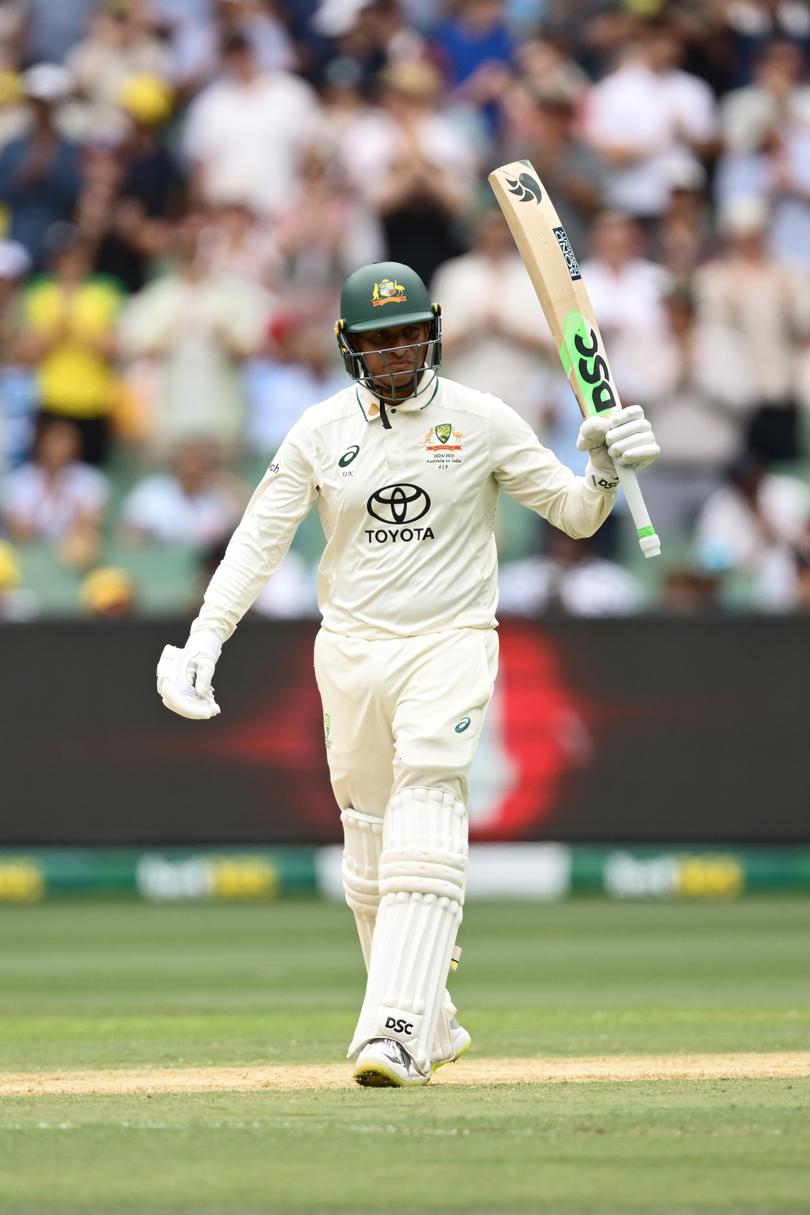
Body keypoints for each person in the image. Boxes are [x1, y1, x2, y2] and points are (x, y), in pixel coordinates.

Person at [156, 260, 660, 1087]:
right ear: (349, 347)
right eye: (377, 342)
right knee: (369, 841)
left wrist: (605, 466)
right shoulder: (319, 431)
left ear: (431, 331)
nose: (395, 354)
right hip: (349, 649)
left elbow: (576, 512)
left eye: (407, 336)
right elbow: (258, 541)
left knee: (428, 801)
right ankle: (436, 1019)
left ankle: (392, 1033)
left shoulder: (483, 419)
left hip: (449, 640)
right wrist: (205, 640)